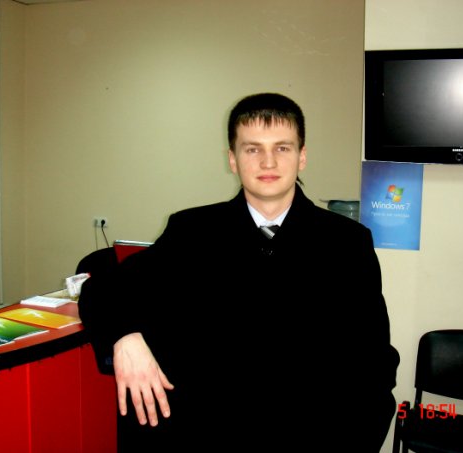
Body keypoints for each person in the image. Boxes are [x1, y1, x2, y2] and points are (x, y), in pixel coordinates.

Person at [78, 92, 400, 451]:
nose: (267, 161)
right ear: (232, 159)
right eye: (252, 149)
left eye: (282, 148)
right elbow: (104, 289)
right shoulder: (192, 232)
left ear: (302, 156)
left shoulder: (346, 243)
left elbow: (374, 363)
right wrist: (125, 338)